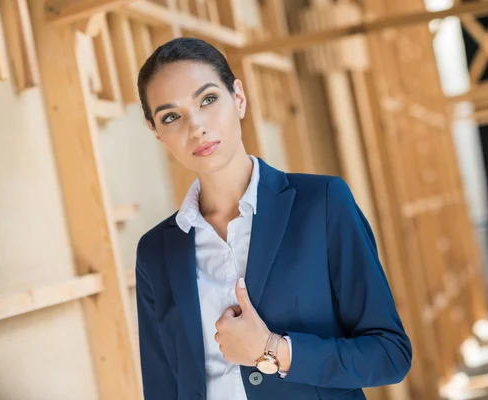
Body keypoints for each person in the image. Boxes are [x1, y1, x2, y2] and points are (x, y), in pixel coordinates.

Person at [134, 37, 412, 400]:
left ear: (239, 98)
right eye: (171, 116)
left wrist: (273, 350)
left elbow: (390, 354)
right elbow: (162, 388)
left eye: (208, 99)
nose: (196, 126)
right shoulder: (155, 251)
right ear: (155, 131)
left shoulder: (322, 204)